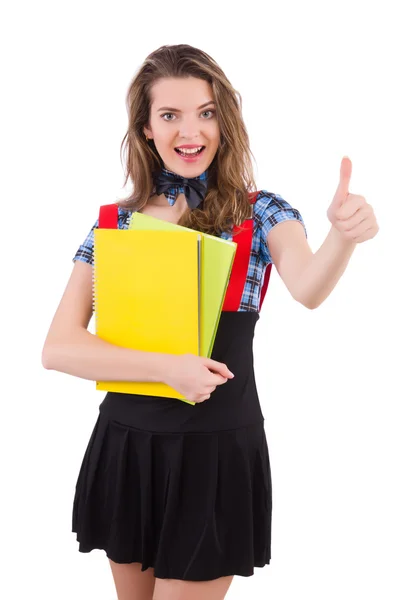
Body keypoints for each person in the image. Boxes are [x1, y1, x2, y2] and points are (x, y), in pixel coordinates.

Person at [41, 44, 379, 600]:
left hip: (214, 451)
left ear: (224, 118)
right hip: (127, 446)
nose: (189, 130)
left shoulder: (262, 211)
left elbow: (310, 288)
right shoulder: (115, 225)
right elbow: (58, 347)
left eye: (205, 111)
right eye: (169, 115)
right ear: (146, 129)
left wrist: (343, 235)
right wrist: (166, 369)